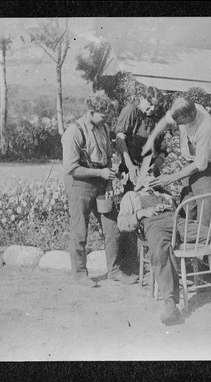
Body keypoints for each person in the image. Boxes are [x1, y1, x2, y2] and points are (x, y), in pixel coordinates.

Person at [117, 177, 211, 325]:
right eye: (146, 172)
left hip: (179, 223)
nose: (151, 176)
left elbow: (181, 214)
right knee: (159, 250)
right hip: (154, 226)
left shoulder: (165, 194)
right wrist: (142, 213)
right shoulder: (131, 196)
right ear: (137, 178)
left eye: (152, 172)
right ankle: (170, 304)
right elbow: (122, 223)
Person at [62, 92, 138, 288]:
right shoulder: (74, 132)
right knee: (80, 231)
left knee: (112, 228)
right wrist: (101, 174)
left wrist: (110, 182)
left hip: (102, 184)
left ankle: (114, 271)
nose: (106, 119)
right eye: (103, 115)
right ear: (90, 112)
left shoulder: (103, 127)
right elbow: (71, 168)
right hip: (79, 185)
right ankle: (80, 274)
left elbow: (108, 159)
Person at [142, 96, 211, 228]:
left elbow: (200, 164)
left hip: (208, 170)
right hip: (189, 165)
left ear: (191, 115)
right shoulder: (181, 111)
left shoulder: (205, 128)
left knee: (204, 221)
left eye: (180, 122)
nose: (177, 124)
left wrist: (169, 178)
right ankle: (185, 245)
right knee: (185, 213)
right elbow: (166, 121)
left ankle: (203, 246)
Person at [115, 86, 168, 190]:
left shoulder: (156, 117)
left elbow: (163, 148)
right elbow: (120, 138)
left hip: (150, 173)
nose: (152, 109)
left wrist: (155, 166)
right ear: (141, 98)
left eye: (155, 106)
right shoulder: (131, 111)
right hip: (131, 169)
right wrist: (130, 166)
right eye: (150, 104)